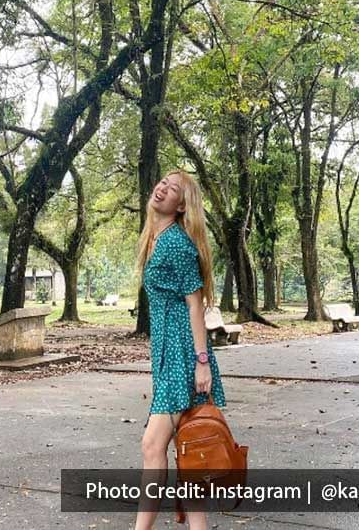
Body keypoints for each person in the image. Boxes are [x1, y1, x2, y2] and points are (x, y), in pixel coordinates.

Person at [133, 169, 226, 530]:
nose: (162, 189)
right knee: (188, 453)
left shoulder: (176, 243)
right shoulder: (157, 239)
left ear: (182, 206)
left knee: (152, 446)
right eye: (162, 183)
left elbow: (194, 304)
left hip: (183, 357)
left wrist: (202, 363)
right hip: (168, 356)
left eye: (172, 189)